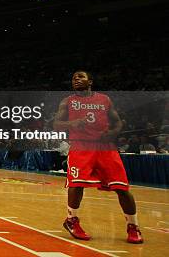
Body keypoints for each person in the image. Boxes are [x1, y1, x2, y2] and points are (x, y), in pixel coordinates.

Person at [54, 70, 143, 244]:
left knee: (122, 188)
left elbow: (118, 122)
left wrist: (112, 133)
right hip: (81, 147)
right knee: (76, 184)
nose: (76, 80)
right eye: (73, 78)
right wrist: (71, 123)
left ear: (90, 81)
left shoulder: (104, 100)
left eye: (81, 77)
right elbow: (56, 125)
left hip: (105, 148)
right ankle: (72, 220)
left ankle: (133, 226)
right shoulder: (67, 102)